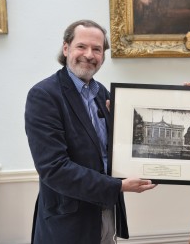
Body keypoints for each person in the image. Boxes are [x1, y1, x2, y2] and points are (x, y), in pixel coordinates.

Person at [25, 19, 157, 244]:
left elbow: (129, 144)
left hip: (106, 216)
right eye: (81, 46)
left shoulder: (102, 94)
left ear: (103, 56)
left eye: (97, 49)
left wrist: (184, 100)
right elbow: (54, 168)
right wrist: (118, 186)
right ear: (66, 48)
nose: (89, 54)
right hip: (68, 224)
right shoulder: (44, 95)